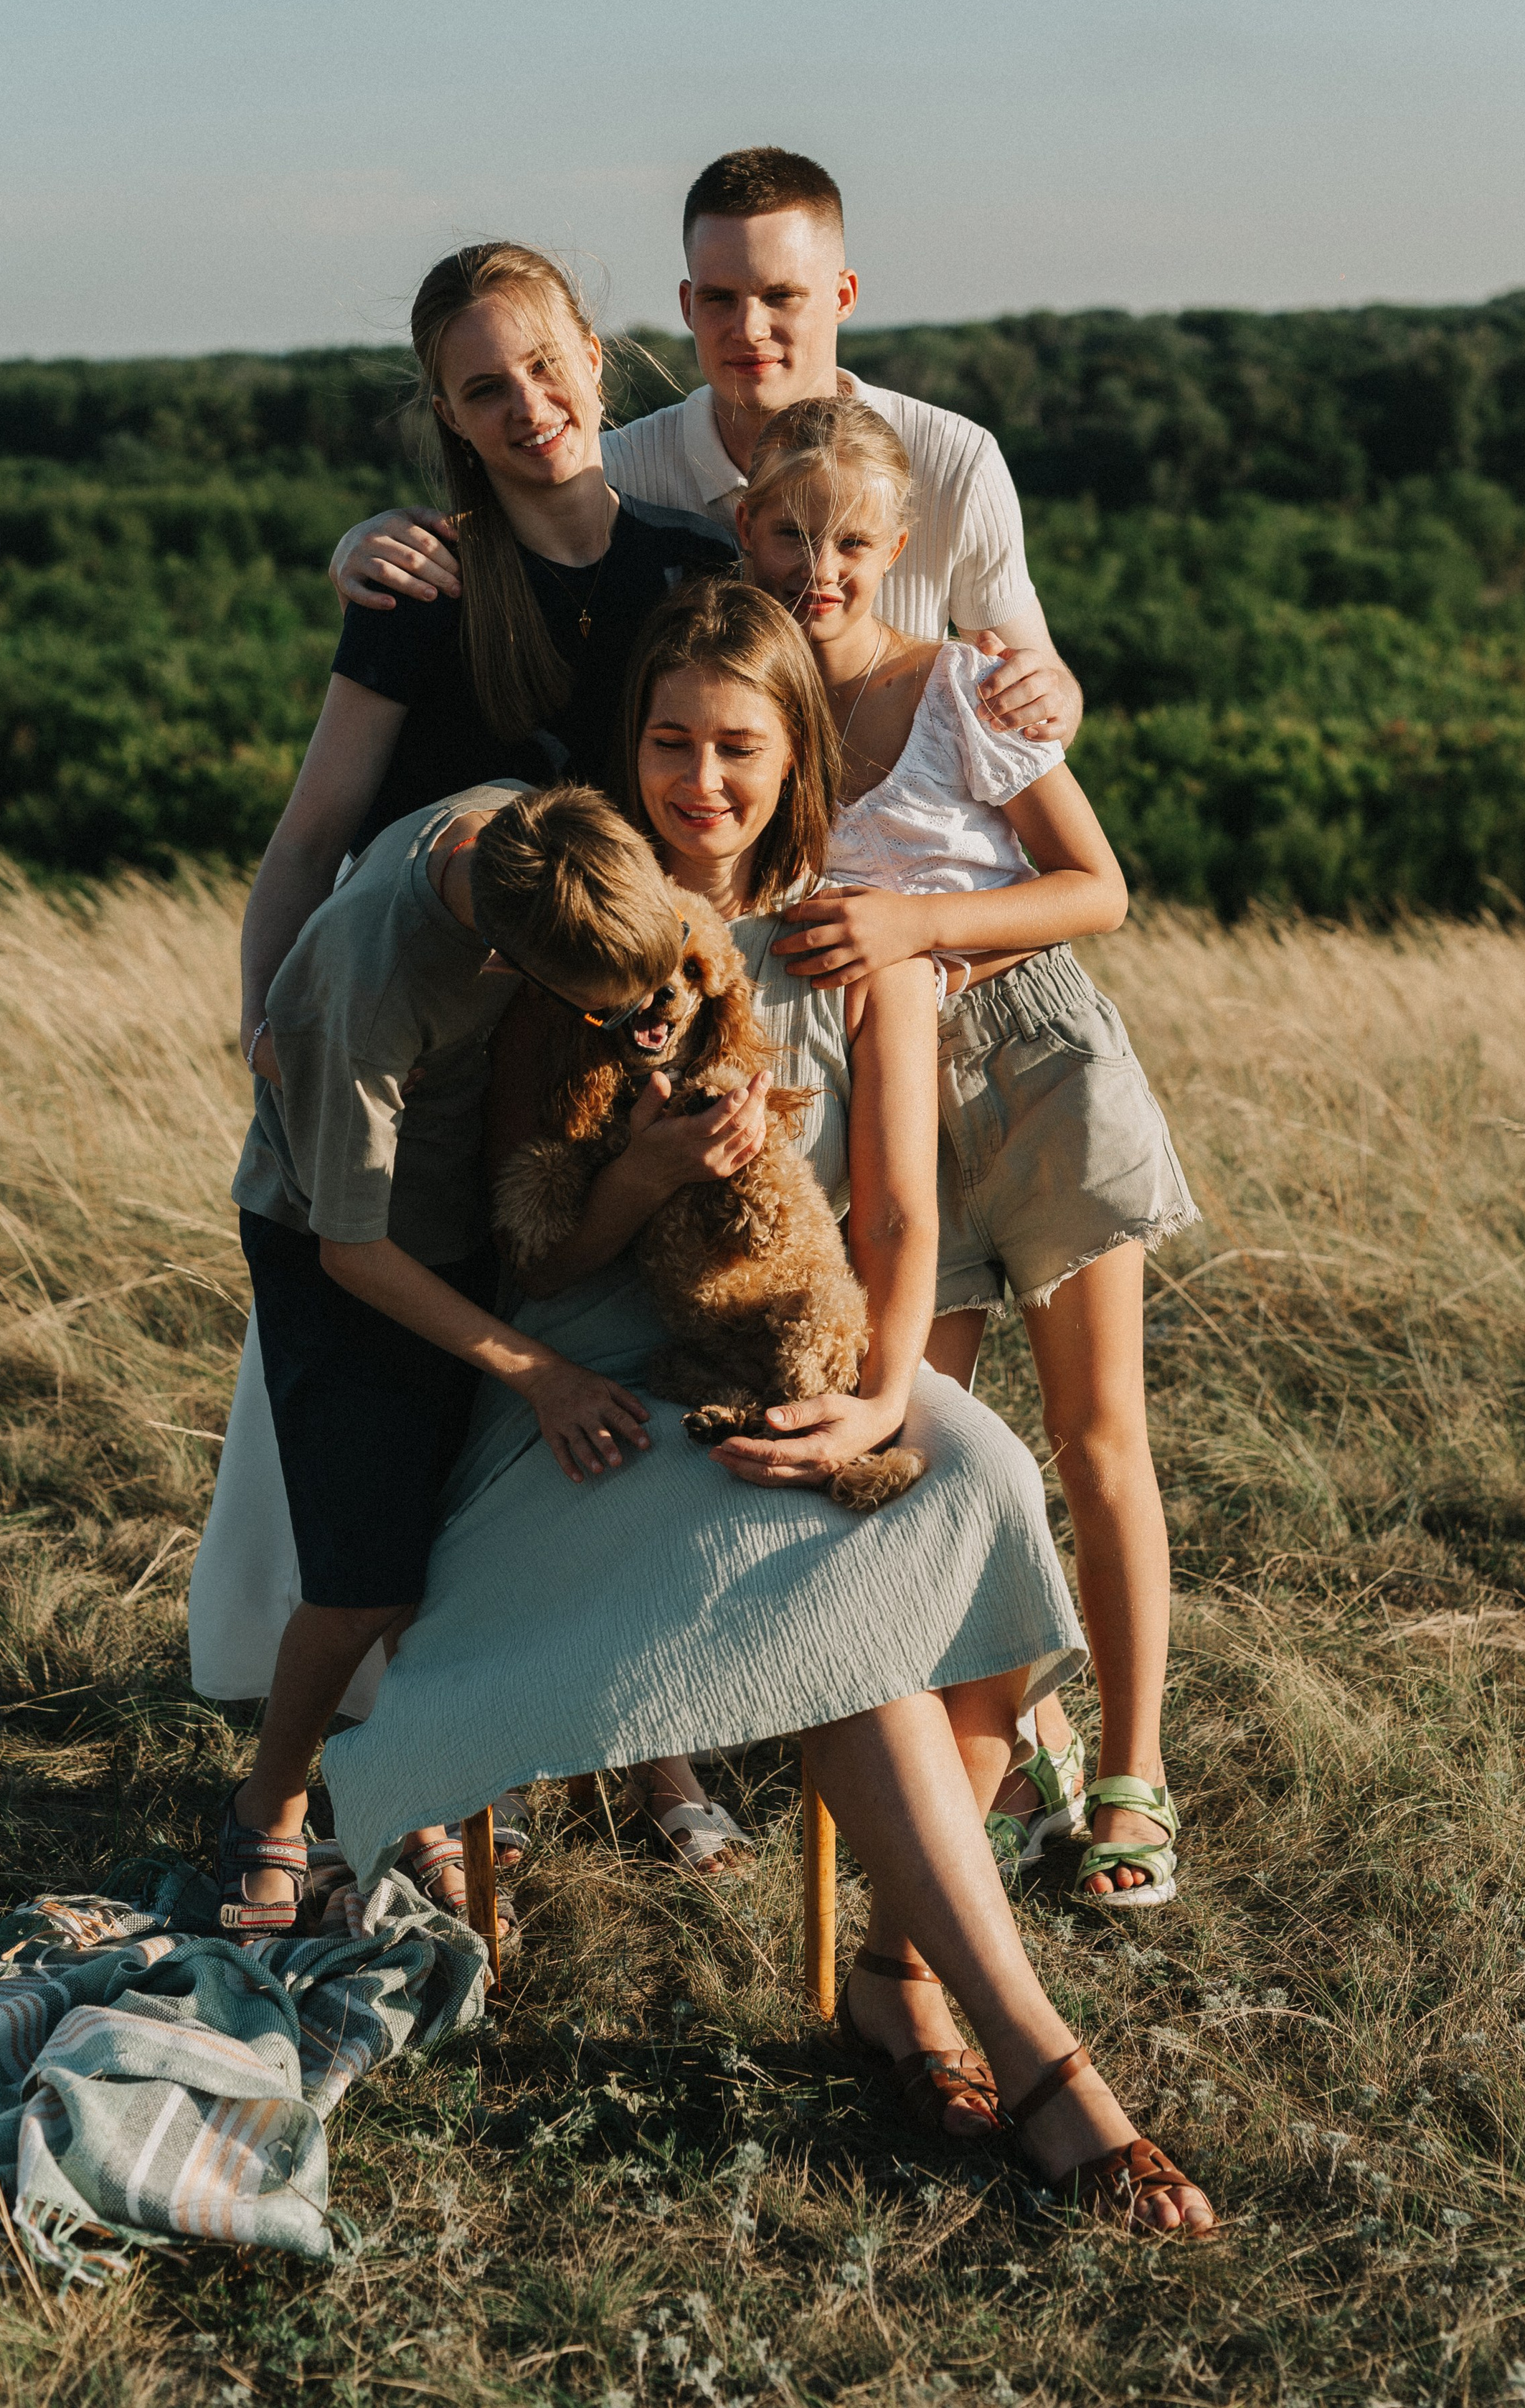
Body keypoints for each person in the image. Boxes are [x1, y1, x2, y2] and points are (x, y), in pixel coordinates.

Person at [317, 591, 1214, 2234]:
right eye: (670, 741)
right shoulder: (583, 929)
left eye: (739, 745)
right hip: (594, 1385)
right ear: (631, 748)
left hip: (816, 1339)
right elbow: (532, 1254)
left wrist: (880, 1387)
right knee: (831, 1568)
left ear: (797, 752)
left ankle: (891, 1970)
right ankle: (1037, 2061)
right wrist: (646, 1172)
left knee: (989, 1483)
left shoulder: (863, 928)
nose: (701, 780)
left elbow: (898, 1215)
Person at [737, 397, 1201, 1912]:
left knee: (1093, 1438)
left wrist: (917, 924)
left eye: (852, 540)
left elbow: (1096, 887)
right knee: (920, 1454)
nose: (820, 563)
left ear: (896, 550)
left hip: (1032, 1063)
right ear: (747, 531)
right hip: (874, 1104)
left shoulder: (961, 693)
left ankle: (1131, 1779)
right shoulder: (749, 723)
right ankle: (1016, 1730)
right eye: (791, 533)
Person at [217, 775, 664, 1937]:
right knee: (363, 1574)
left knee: (445, 1550)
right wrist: (540, 1370)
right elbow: (350, 1250)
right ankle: (269, 1805)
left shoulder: (532, 826)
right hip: (345, 1255)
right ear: (510, 958)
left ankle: (413, 1789)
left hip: (456, 1218)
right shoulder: (369, 981)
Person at [326, 146, 1083, 750]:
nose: (748, 329)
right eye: (720, 298)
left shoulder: (953, 460)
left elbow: (1037, 685)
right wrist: (357, 548)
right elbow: (496, 554)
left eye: (781, 296)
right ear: (687, 304)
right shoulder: (618, 471)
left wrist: (1055, 695)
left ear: (844, 295)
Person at [237, 240, 733, 1092]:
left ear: (592, 357)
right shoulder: (422, 584)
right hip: (439, 1049)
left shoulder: (697, 569)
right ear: (450, 415)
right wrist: (261, 1038)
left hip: (631, 1034)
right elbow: (308, 839)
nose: (528, 404)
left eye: (544, 365)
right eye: (485, 388)